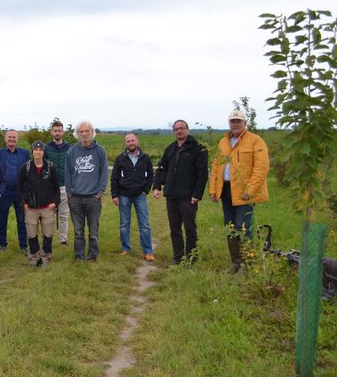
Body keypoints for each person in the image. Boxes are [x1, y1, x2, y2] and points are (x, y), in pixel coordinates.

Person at [209, 109, 270, 273]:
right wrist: (213, 189)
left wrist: (249, 190)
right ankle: (236, 262)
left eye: (238, 121)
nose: (235, 124)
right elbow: (216, 166)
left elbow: (261, 168)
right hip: (226, 190)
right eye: (232, 121)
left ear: (245, 123)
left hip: (244, 193)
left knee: (242, 226)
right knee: (230, 227)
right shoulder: (223, 142)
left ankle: (247, 264)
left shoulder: (255, 141)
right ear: (229, 123)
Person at [153, 119, 208, 265]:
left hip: (188, 196)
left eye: (182, 128)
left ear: (187, 129)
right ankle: (178, 258)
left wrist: (197, 194)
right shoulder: (170, 149)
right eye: (176, 129)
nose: (179, 131)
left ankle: (191, 258)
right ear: (174, 132)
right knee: (175, 229)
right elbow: (161, 168)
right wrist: (157, 186)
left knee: (190, 229)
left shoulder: (198, 148)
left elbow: (202, 174)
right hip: (172, 195)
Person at [65, 120, 108, 262]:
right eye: (81, 132)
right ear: (77, 134)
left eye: (86, 131)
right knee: (78, 230)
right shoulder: (72, 151)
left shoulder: (100, 151)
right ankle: (79, 255)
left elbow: (104, 173)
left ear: (92, 133)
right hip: (75, 198)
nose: (84, 134)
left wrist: (100, 192)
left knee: (93, 230)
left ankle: (92, 255)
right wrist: (70, 194)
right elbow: (68, 174)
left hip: (93, 198)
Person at [111, 133, 155, 261]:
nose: (131, 143)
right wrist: (115, 195)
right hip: (124, 194)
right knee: (124, 223)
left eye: (133, 140)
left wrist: (146, 190)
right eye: (128, 141)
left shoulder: (145, 158)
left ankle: (148, 251)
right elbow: (114, 178)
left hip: (140, 195)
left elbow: (151, 175)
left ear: (137, 141)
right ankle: (126, 248)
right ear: (125, 143)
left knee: (144, 224)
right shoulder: (120, 158)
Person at [18, 141, 60, 266]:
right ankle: (34, 256)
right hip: (31, 207)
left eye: (40, 150)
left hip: (48, 206)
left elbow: (56, 187)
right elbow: (19, 186)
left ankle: (46, 256)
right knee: (32, 233)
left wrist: (55, 202)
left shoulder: (50, 167)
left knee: (48, 233)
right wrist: (23, 203)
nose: (38, 152)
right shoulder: (26, 167)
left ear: (43, 152)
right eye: (35, 150)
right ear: (32, 151)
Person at [0, 129, 30, 253]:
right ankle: (1, 243)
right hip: (4, 191)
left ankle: (24, 245)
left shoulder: (24, 153)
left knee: (22, 219)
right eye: (9, 137)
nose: (12, 139)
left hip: (20, 191)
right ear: (5, 139)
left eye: (14, 137)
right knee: (2, 218)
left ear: (17, 139)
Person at [45, 120, 72, 245]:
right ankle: (48, 237)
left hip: (65, 185)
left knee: (64, 215)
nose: (57, 133)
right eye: (55, 130)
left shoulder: (69, 148)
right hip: (50, 187)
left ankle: (63, 239)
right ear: (52, 132)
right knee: (48, 215)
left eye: (59, 130)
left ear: (63, 132)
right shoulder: (46, 147)